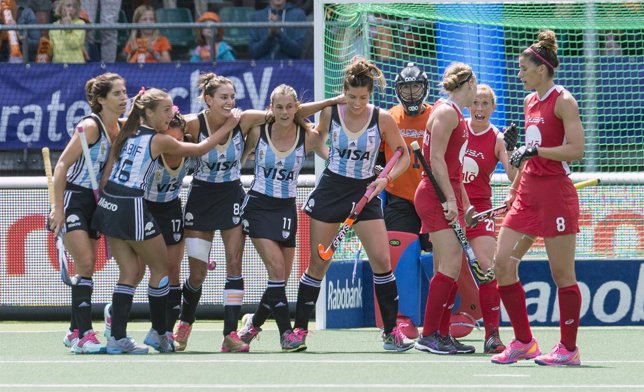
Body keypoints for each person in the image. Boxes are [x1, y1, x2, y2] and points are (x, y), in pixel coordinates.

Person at [174, 72, 341, 353]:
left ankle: (231, 334)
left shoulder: (245, 119)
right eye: (223, 97)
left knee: (236, 264)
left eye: (231, 97)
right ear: (208, 100)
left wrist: (335, 100)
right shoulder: (193, 123)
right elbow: (168, 135)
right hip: (201, 199)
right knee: (198, 274)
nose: (230, 102)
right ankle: (184, 322)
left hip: (231, 197)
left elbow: (288, 112)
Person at [92, 87, 240, 354]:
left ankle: (116, 338)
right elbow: (201, 147)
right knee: (162, 271)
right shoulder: (159, 139)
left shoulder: (129, 132)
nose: (171, 113)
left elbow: (109, 171)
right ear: (147, 113)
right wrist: (229, 124)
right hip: (131, 204)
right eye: (165, 109)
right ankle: (159, 333)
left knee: (130, 273)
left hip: (109, 202)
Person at [292, 56, 413, 352]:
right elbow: (301, 119)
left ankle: (390, 332)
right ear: (343, 92)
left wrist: (385, 180)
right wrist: (329, 154)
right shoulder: (332, 111)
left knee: (382, 262)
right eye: (351, 96)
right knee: (319, 262)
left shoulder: (382, 118)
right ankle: (297, 332)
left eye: (363, 97)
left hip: (367, 191)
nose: (357, 103)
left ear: (370, 94)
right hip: (332, 188)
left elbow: (404, 155)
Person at [491, 30, 585, 366]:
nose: (519, 74)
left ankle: (568, 350)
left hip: (555, 195)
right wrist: (518, 158)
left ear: (541, 69)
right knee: (502, 265)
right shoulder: (529, 101)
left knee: (562, 274)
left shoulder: (564, 100)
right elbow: (530, 155)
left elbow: (576, 149)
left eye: (523, 68)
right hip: (527, 192)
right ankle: (523, 342)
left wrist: (536, 149)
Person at [236, 84, 328, 352]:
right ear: (271, 108)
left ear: (296, 108)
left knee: (281, 279)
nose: (285, 112)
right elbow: (238, 160)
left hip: (286, 208)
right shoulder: (258, 131)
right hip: (258, 206)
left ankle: (253, 324)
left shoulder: (308, 137)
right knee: (276, 271)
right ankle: (286, 334)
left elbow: (335, 160)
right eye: (279, 107)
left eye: (290, 106)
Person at [48, 72, 127, 354]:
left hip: (96, 202)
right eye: (117, 94)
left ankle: (73, 331)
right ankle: (84, 335)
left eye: (124, 92)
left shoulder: (118, 128)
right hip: (73, 198)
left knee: (87, 267)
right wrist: (57, 208)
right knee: (85, 260)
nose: (123, 98)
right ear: (101, 99)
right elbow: (61, 166)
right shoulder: (90, 126)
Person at [413, 62, 478, 355]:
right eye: (474, 85)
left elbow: (453, 167)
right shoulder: (445, 112)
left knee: (449, 267)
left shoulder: (454, 114)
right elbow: (436, 159)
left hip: (447, 196)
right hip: (435, 197)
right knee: (450, 266)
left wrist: (462, 202)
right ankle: (429, 335)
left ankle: (441, 333)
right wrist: (450, 200)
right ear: (468, 85)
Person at [378, 62, 432, 339]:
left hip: (433, 200)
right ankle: (402, 317)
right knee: (402, 258)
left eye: (415, 87)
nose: (411, 93)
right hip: (400, 201)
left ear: (425, 88)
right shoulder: (390, 118)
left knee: (440, 258)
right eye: (406, 88)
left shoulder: (437, 116)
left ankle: (451, 315)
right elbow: (376, 157)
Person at [463, 84, 518, 354]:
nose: (480, 108)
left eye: (485, 103)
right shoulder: (456, 128)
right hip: (453, 208)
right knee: (447, 269)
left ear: (493, 108)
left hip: (480, 210)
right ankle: (435, 333)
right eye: (475, 102)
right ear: (468, 105)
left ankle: (492, 335)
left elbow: (512, 175)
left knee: (487, 269)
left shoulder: (497, 138)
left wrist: (514, 151)